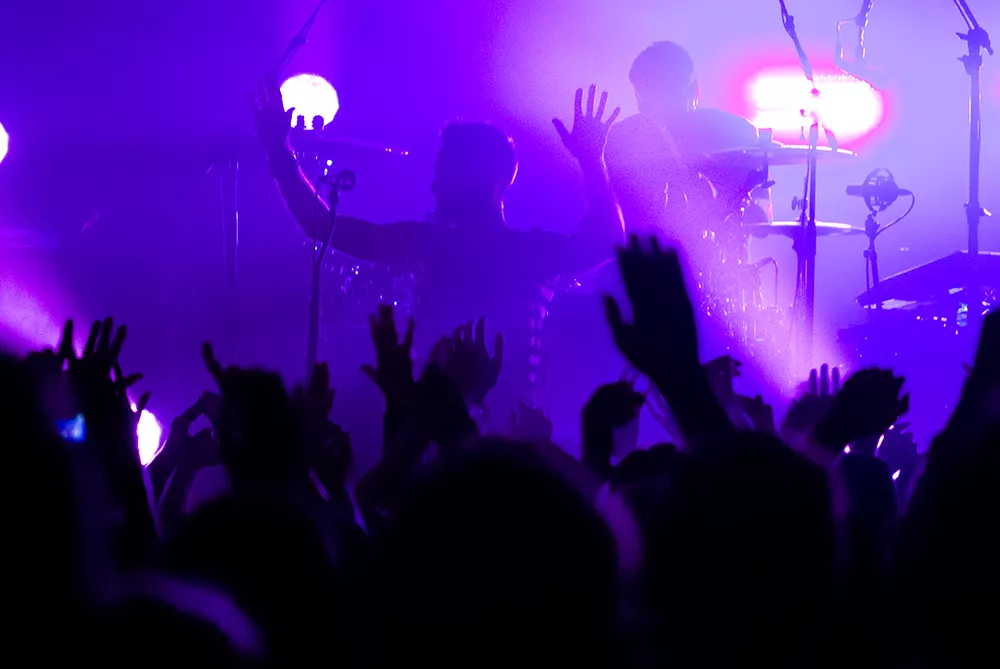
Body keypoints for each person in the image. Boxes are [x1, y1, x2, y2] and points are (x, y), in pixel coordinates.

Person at [253, 77, 624, 421]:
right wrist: (592, 162)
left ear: (492, 179)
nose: (435, 182)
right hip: (480, 441)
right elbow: (321, 225)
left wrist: (279, 152)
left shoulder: (445, 245)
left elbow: (319, 224)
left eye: (447, 171)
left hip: (470, 441)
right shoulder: (521, 252)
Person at [605, 40, 763, 242]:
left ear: (693, 90)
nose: (655, 107)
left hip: (714, 253)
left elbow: (759, 219)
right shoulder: (620, 139)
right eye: (644, 96)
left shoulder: (732, 132)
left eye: (667, 93)